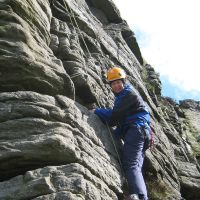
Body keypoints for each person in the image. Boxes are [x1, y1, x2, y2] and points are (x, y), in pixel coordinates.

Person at [94, 67, 151, 200]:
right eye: (113, 84)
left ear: (123, 81)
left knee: (130, 164)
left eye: (118, 82)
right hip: (141, 132)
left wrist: (97, 111)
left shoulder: (128, 94)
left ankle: (139, 197)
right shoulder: (124, 96)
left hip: (137, 130)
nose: (116, 85)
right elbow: (122, 121)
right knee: (135, 166)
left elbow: (114, 117)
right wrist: (116, 134)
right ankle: (140, 195)